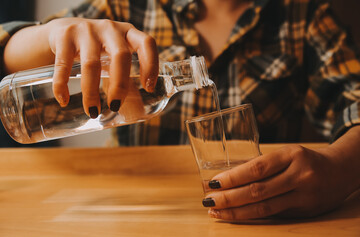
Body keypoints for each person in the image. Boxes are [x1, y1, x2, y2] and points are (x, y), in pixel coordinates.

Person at [1, 0, 359, 220]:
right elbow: (8, 46)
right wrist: (49, 35)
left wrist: (340, 167)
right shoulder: (128, 6)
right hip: (134, 217)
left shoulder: (304, 13)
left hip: (267, 219)